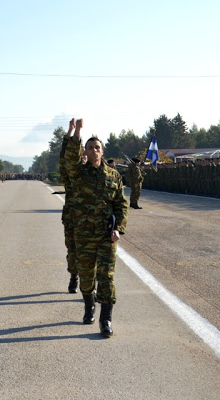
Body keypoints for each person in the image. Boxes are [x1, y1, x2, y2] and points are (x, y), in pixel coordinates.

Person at [64, 119, 128, 338]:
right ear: (86, 151)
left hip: (105, 234)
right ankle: (89, 305)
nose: (94, 151)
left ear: (102, 151)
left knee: (107, 276)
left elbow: (121, 204)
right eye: (90, 148)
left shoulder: (114, 176)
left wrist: (118, 227)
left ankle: (106, 318)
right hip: (83, 233)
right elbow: (69, 158)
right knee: (86, 275)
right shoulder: (77, 173)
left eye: (97, 148)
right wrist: (77, 131)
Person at [59, 132, 80, 294]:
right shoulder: (71, 176)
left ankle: (90, 286)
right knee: (72, 251)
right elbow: (63, 159)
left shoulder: (98, 175)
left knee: (91, 255)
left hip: (92, 223)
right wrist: (69, 136)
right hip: (72, 220)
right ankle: (74, 276)